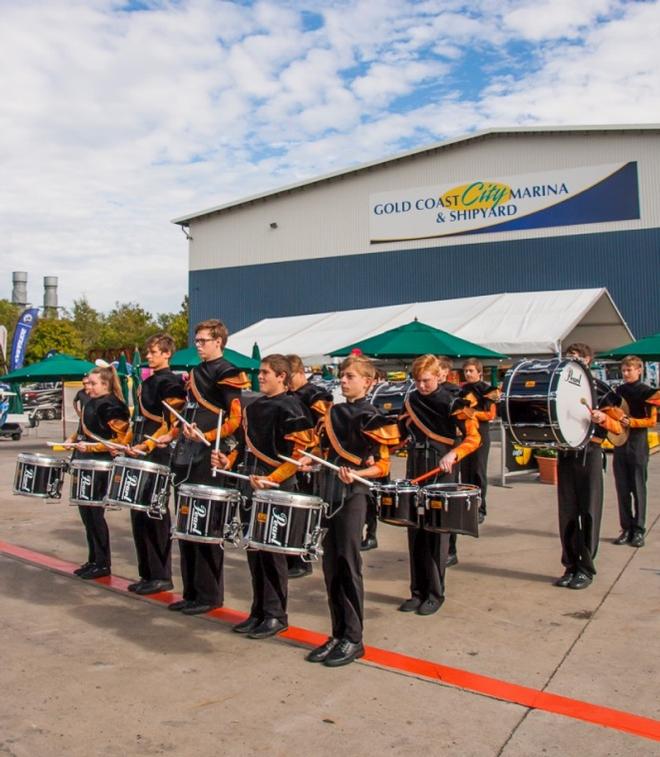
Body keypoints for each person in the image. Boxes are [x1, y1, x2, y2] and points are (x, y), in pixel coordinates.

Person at [212, 354, 316, 639]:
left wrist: (273, 479)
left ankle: (275, 614)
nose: (261, 376)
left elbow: (301, 455)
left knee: (272, 554)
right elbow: (245, 446)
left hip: (276, 489)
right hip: (250, 483)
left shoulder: (293, 407)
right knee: (254, 550)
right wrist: (227, 461)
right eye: (261, 372)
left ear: (282, 376)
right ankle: (258, 610)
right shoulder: (255, 406)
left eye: (266, 372)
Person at [305, 355, 399, 667]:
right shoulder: (334, 413)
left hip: (353, 495)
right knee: (330, 566)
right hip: (328, 492)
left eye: (350, 377)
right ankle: (337, 632)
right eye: (342, 376)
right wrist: (311, 459)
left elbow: (383, 466)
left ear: (368, 382)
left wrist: (358, 472)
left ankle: (354, 638)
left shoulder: (372, 416)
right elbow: (324, 450)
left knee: (348, 565)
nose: (343, 381)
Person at [159, 319, 249, 615]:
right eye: (196, 341)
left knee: (206, 525)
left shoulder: (228, 371)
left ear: (218, 342)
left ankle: (210, 595)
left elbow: (235, 419)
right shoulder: (196, 372)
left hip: (210, 455)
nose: (198, 345)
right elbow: (188, 410)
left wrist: (209, 437)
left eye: (203, 341)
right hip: (187, 454)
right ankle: (191, 591)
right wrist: (171, 434)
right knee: (185, 524)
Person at [397, 354, 480, 615]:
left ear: (439, 376)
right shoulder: (410, 400)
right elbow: (400, 432)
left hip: (440, 471)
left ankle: (435, 592)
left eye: (426, 381)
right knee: (415, 531)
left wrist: (454, 454)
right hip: (415, 467)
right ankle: (417, 591)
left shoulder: (452, 401)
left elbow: (473, 437)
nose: (421, 386)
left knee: (436, 534)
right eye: (417, 381)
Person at [553, 343, 623, 589]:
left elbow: (620, 428)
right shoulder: (559, 387)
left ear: (589, 360)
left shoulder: (600, 389)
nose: (573, 360)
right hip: (566, 454)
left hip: (590, 452)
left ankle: (586, 568)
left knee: (589, 512)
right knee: (567, 513)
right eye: (569, 356)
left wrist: (603, 418)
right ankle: (570, 565)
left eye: (578, 357)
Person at [124, 334, 186, 596]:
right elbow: (139, 420)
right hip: (140, 450)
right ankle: (146, 572)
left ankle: (161, 575)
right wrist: (128, 443)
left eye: (153, 352)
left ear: (166, 354)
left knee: (154, 513)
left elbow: (171, 422)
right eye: (148, 352)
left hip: (156, 453)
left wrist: (148, 445)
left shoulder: (171, 383)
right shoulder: (148, 381)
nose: (149, 356)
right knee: (138, 512)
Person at [70, 365, 130, 579]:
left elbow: (121, 441)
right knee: (86, 513)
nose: (90, 387)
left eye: (94, 384)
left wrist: (93, 447)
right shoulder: (92, 403)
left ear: (105, 384)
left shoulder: (113, 405)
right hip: (86, 461)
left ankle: (103, 562)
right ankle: (93, 558)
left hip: (102, 464)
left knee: (95, 514)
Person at [285, 353, 333, 578]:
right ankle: (291, 554)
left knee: (306, 512)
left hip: (310, 460)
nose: (287, 381)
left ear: (300, 373)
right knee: (291, 510)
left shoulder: (316, 395)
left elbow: (325, 426)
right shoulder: (288, 394)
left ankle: (303, 559)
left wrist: (313, 452)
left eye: (290, 376)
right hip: (292, 458)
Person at [612, 355, 659, 548]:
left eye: (630, 370)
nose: (626, 373)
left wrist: (632, 422)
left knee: (638, 487)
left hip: (638, 442)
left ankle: (639, 530)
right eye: (624, 370)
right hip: (620, 441)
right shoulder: (618, 391)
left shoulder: (648, 392)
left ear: (639, 370)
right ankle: (626, 528)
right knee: (622, 488)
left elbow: (652, 421)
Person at [459, 358, 500, 525]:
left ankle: (481, 508)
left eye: (471, 371)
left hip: (481, 434)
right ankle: (467, 506)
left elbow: (491, 415)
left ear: (479, 372)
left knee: (478, 471)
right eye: (466, 371)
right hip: (465, 435)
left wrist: (473, 413)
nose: (468, 374)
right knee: (465, 472)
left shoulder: (488, 390)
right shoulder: (461, 390)